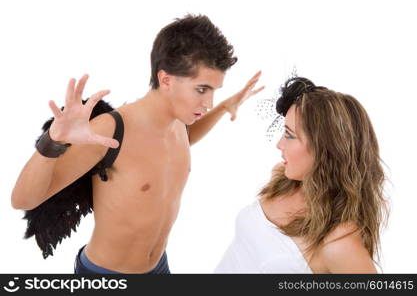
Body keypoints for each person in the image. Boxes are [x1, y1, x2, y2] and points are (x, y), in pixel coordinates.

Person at [11, 14, 264, 274]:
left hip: (159, 268)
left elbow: (183, 142)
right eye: (202, 90)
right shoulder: (111, 132)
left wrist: (223, 108)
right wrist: (53, 141)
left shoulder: (177, 122)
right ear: (166, 79)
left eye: (215, 91)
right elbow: (23, 199)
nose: (208, 102)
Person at [215, 77, 388, 273]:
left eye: (289, 135)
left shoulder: (339, 243)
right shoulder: (281, 179)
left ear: (326, 149)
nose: (279, 144)